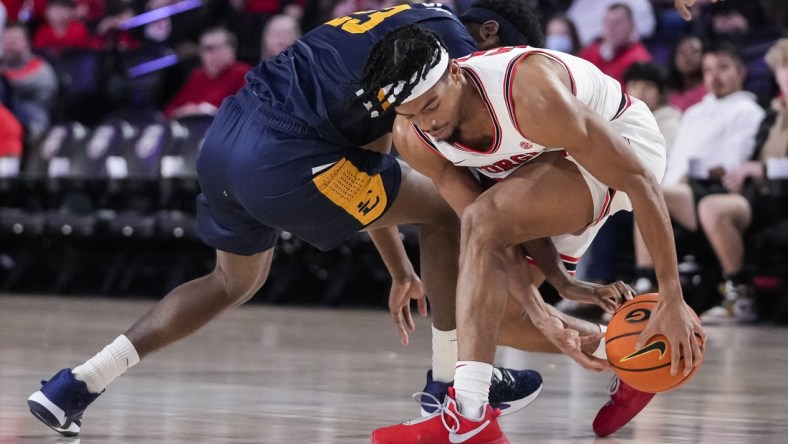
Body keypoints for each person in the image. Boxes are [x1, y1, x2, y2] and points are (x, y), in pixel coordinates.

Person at [27, 1, 627, 437]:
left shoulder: (398, 26)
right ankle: (447, 386)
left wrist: (399, 270)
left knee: (232, 282)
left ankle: (77, 384)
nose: (497, 73)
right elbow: (410, 173)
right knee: (454, 214)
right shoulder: (451, 57)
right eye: (503, 54)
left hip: (226, 138)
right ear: (491, 33)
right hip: (288, 154)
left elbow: (376, 166)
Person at [359, 23, 705, 443]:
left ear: (455, 74)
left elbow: (640, 182)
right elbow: (488, 235)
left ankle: (470, 416)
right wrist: (553, 289)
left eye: (431, 105)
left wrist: (671, 292)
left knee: (486, 230)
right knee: (490, 320)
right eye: (411, 113)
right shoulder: (414, 135)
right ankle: (623, 355)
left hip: (625, 141)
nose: (426, 122)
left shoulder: (529, 90)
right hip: (539, 170)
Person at [633, 43, 765, 295]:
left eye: (723, 68)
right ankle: (648, 282)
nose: (714, 76)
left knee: (651, 192)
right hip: (685, 189)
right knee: (645, 190)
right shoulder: (694, 113)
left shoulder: (748, 111)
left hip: (716, 189)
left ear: (741, 72)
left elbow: (732, 164)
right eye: (708, 70)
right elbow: (678, 160)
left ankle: (650, 280)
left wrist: (689, 175)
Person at [698, 38, 788, 322]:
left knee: (712, 207)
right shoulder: (773, 113)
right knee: (711, 205)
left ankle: (740, 294)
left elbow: (761, 166)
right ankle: (737, 292)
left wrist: (763, 169)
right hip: (765, 197)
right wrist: (739, 173)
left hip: (781, 197)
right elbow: (751, 159)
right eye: (782, 67)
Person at [164, 28, 251, 119]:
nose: (210, 55)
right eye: (206, 50)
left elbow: (247, 111)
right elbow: (170, 111)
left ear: (231, 50)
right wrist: (183, 111)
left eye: (214, 49)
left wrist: (206, 111)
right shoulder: (198, 76)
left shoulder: (241, 72)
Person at [0, 22, 58, 141]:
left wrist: (4, 77)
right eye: (6, 40)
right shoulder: (3, 64)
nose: (9, 45)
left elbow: (16, 85)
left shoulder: (40, 68)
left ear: (27, 43)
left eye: (14, 40)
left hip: (33, 119)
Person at [578, 3, 652, 84]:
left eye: (617, 23)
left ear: (631, 25)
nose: (611, 28)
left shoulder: (639, 60)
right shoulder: (591, 52)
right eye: (607, 22)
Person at [667, 35, 707, 112]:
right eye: (683, 52)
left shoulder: (711, 90)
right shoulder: (668, 94)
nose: (688, 57)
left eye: (694, 51)